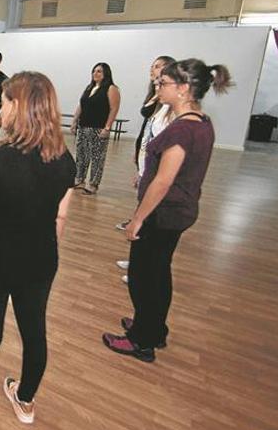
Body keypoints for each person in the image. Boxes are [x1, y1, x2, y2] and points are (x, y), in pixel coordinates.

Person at [0, 72, 75, 430]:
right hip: (40, 260)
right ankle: (25, 402)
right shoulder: (65, 160)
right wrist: (41, 252)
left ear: (17, 107)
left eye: (4, 102)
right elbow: (60, 217)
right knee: (34, 331)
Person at [102, 59, 232, 362]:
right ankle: (153, 328)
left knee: (143, 275)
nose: (158, 87)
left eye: (164, 84)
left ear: (184, 89)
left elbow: (162, 182)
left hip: (163, 213)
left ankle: (141, 341)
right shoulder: (201, 122)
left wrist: (137, 219)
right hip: (177, 211)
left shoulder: (182, 131)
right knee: (158, 272)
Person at [116, 56, 176, 283]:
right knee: (144, 214)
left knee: (148, 218)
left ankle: (141, 270)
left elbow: (161, 141)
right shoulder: (155, 97)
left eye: (158, 67)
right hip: (145, 160)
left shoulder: (170, 109)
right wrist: (140, 164)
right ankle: (137, 264)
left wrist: (148, 170)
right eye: (152, 66)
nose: (153, 70)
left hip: (155, 167)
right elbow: (147, 130)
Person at [70, 63, 120, 195]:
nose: (95, 74)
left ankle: (93, 184)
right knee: (81, 155)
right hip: (84, 126)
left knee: (97, 157)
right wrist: (75, 121)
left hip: (98, 128)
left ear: (106, 74)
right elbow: (81, 105)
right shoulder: (89, 88)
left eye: (99, 71)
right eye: (94, 71)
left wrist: (107, 127)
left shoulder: (111, 88)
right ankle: (79, 179)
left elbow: (114, 109)